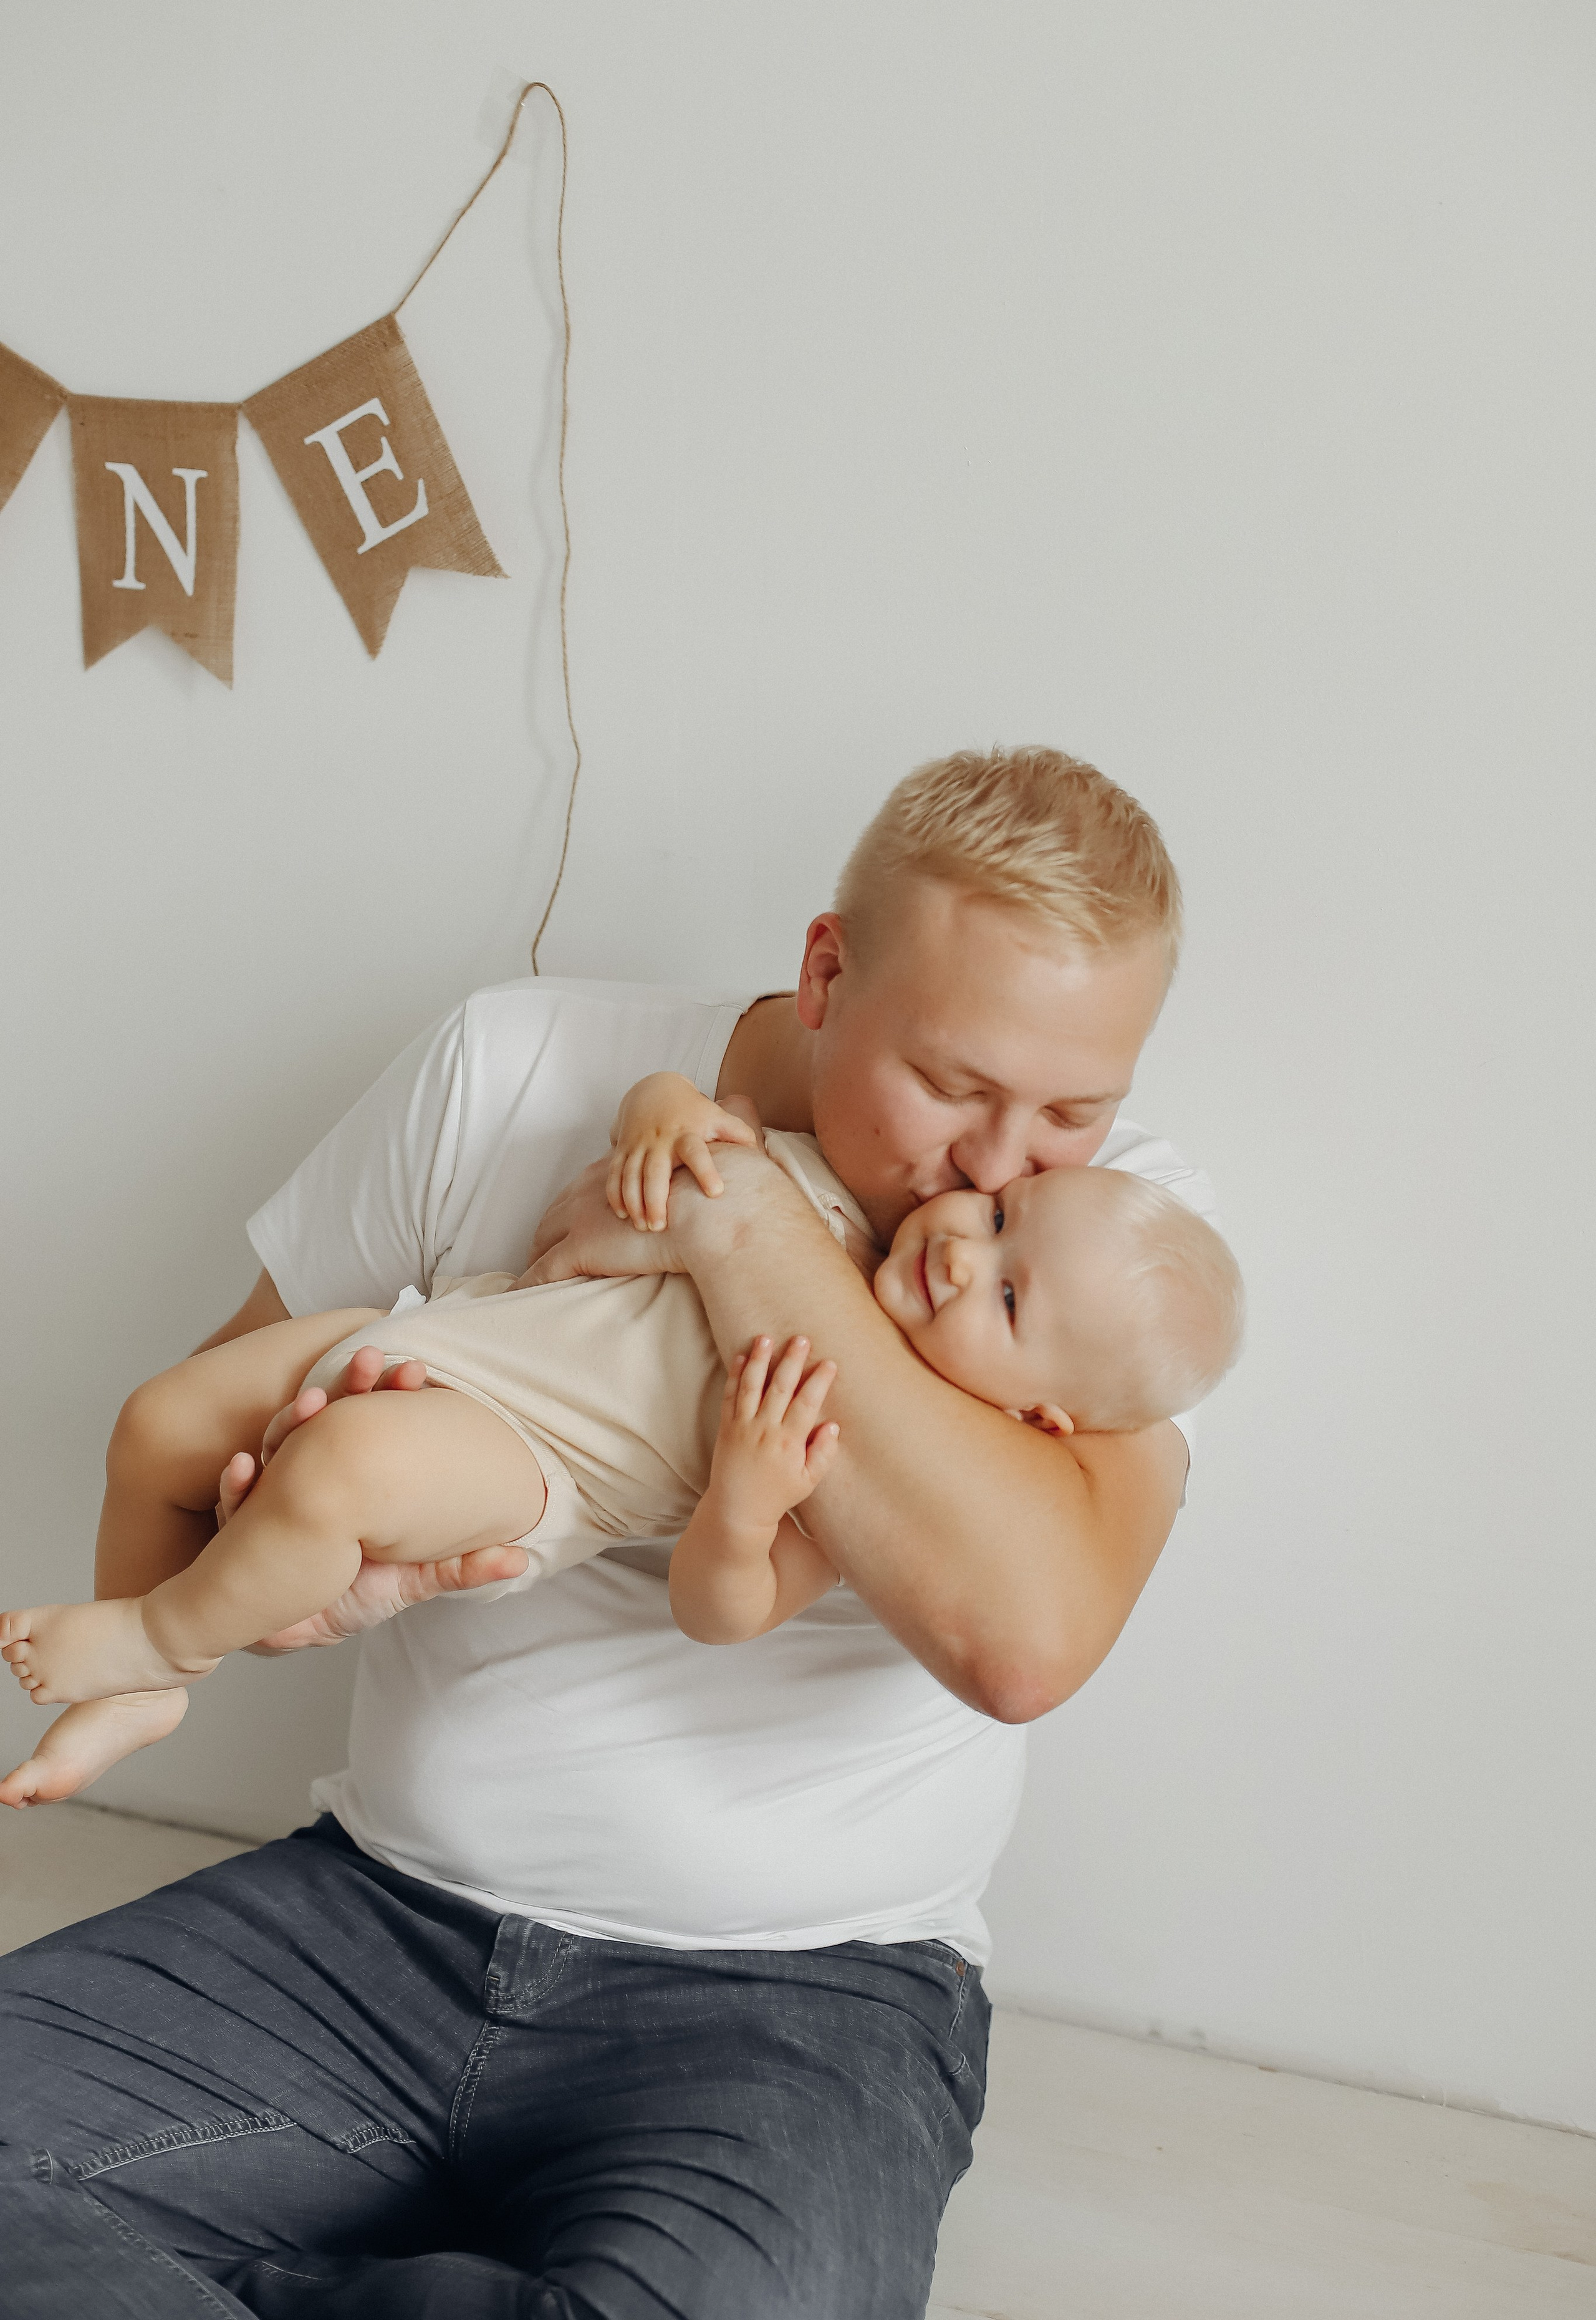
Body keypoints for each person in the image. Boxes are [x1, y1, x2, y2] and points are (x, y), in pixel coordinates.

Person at [0, 748, 1224, 2320]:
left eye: (1071, 1108)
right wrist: (269, 1552)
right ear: (823, 973)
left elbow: (1023, 1638)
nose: (993, 1168)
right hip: (370, 1920)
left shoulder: (1105, 1259)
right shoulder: (515, 1063)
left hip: (797, 1998)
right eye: (953, 1085)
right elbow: (218, 1414)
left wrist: (732, 1227)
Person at [0, 1087, 1240, 1756]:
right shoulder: (830, 1194)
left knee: (333, 1476)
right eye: (1001, 1219)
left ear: (1036, 1411)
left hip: (528, 1459)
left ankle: (160, 1640)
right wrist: (658, 1123)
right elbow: (681, 1112)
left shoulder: (830, 1451)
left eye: (1010, 1298)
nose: (966, 1251)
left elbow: (722, 1611)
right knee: (160, 1418)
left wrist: (747, 1502)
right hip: (446, 1328)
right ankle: (140, 1691)